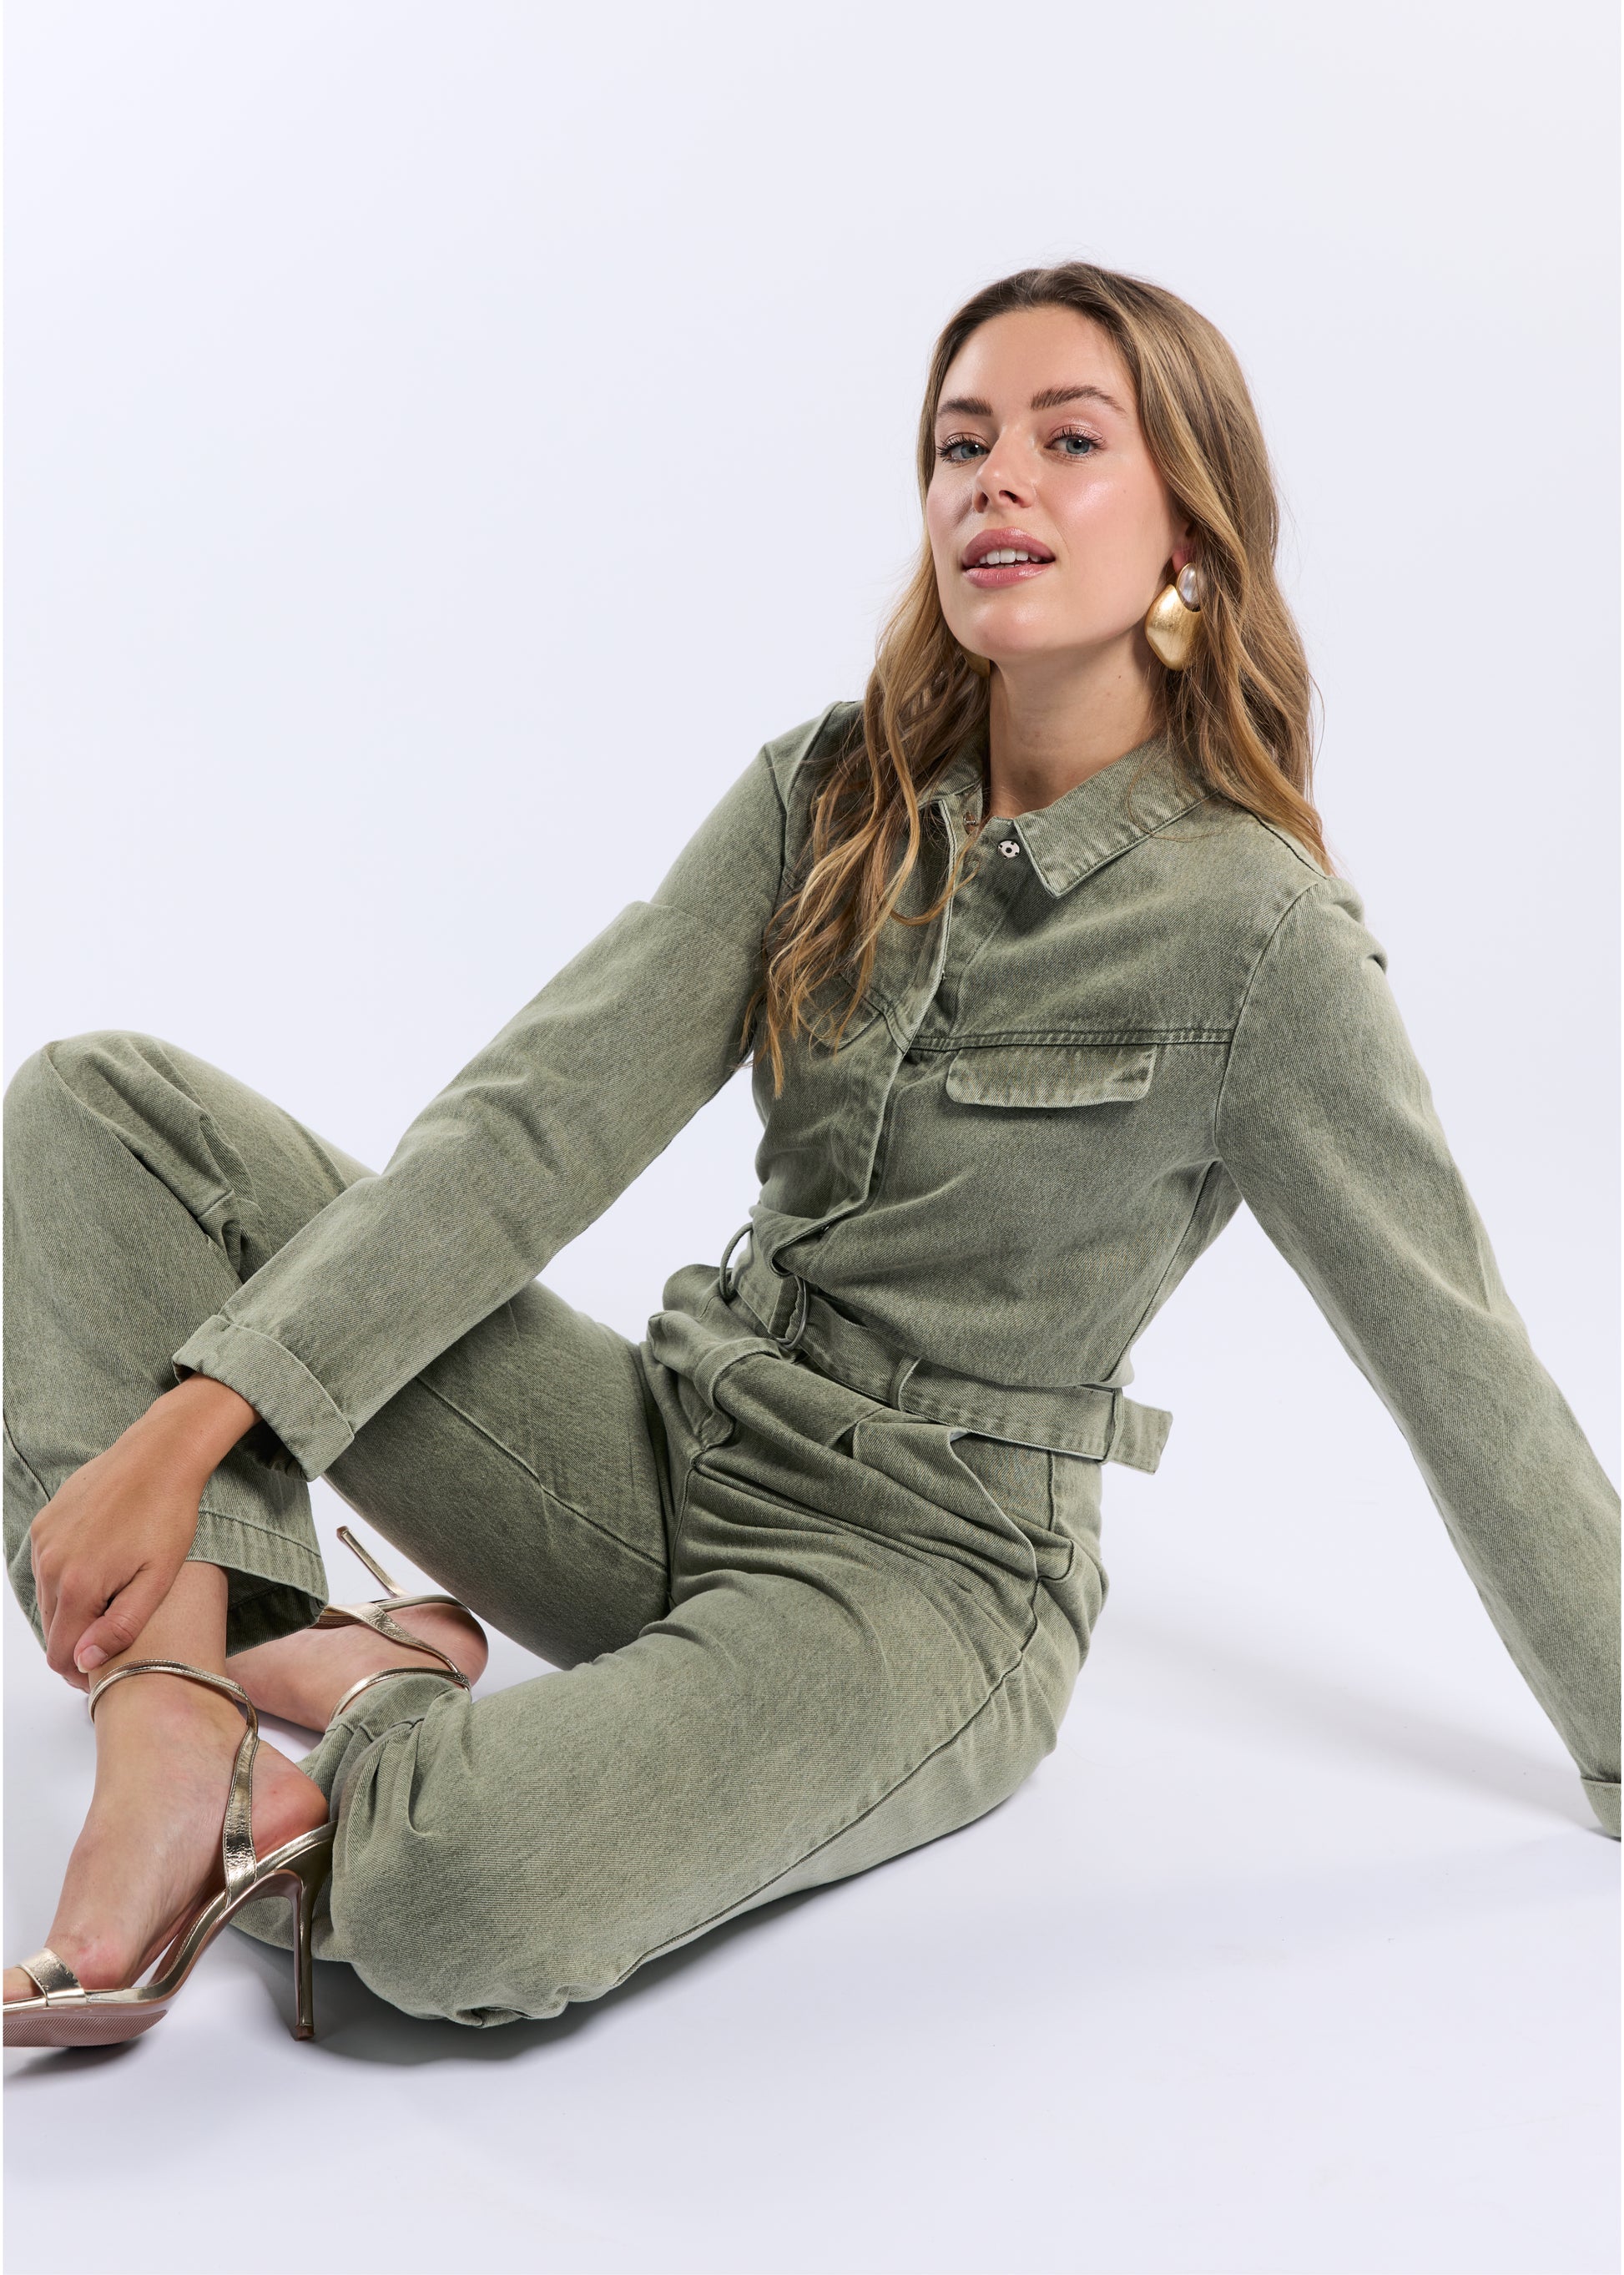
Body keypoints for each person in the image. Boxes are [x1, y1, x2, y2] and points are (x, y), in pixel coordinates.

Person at [5, 261, 1617, 2047]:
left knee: (452, 1890)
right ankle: (176, 1714)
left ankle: (353, 1698)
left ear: (1187, 526)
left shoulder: (1261, 938)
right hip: (668, 1445)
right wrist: (203, 1418)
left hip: (920, 1576)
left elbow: (1460, 1358)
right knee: (98, 1114)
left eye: (1069, 440)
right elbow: (534, 1126)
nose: (995, 481)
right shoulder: (830, 793)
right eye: (960, 443)